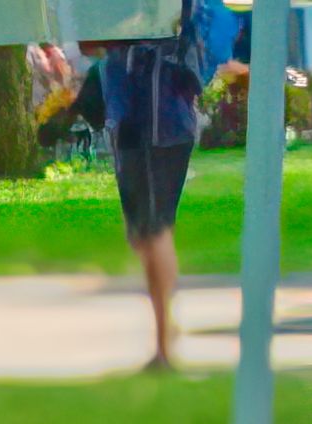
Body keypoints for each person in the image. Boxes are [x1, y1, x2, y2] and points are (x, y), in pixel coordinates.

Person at [84, 6, 226, 374]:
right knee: (144, 233)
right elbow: (89, 41)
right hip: (134, 113)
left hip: (159, 113)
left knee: (155, 228)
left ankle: (164, 345)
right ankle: (165, 333)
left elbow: (97, 38)